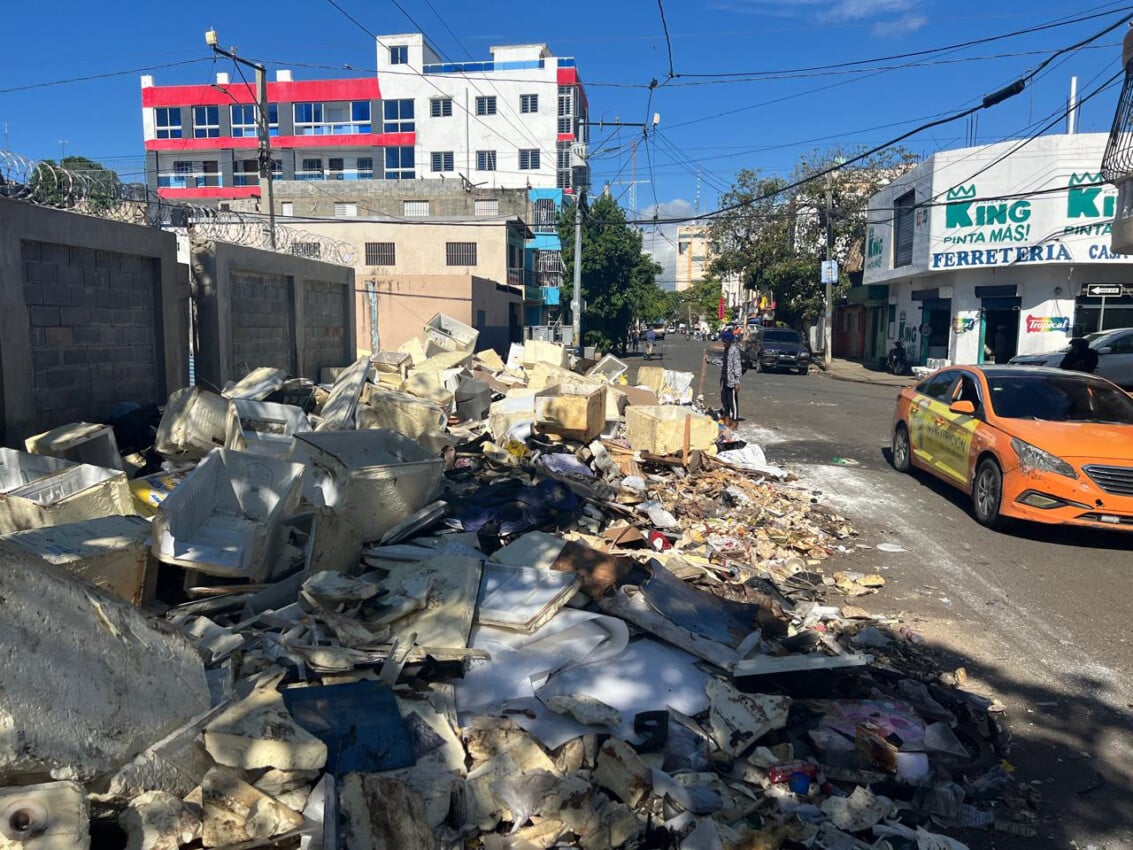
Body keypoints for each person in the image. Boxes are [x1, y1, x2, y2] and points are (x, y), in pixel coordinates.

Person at [720, 328, 743, 429]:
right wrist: (711, 361)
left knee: (732, 402)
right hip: (724, 379)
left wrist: (737, 382)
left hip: (732, 381)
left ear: (729, 341)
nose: (723, 343)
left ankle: (735, 422)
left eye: (725, 341)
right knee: (725, 401)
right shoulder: (726, 350)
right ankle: (726, 419)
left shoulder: (734, 350)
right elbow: (723, 362)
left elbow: (737, 366)